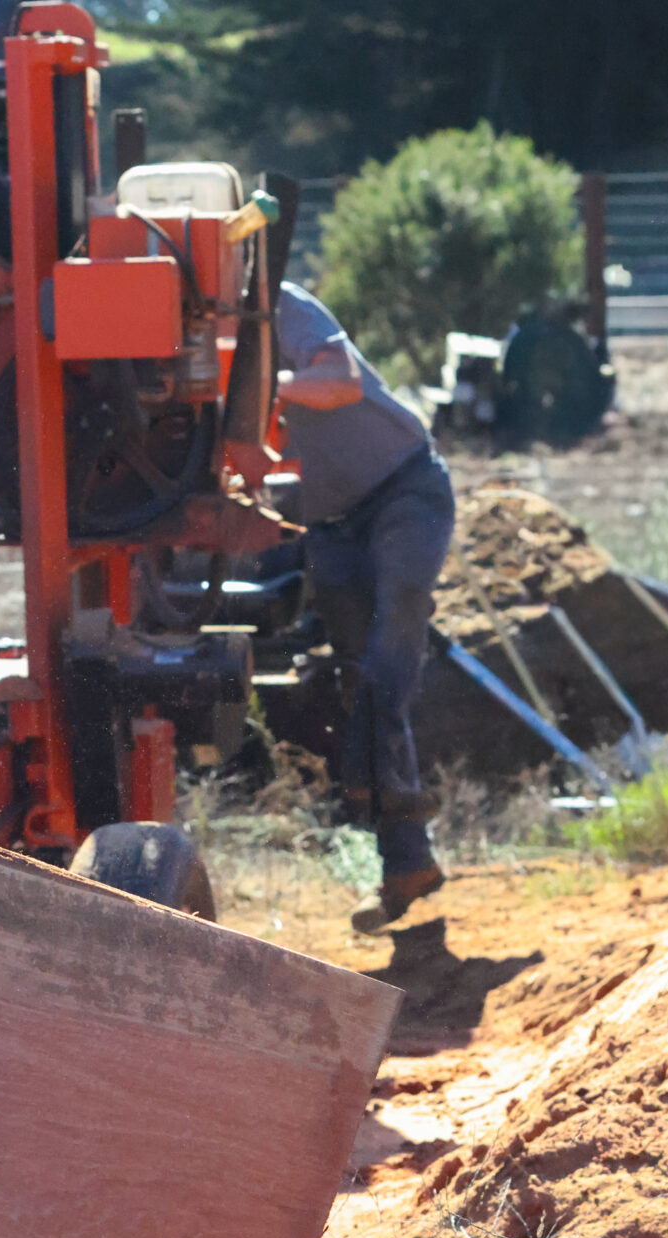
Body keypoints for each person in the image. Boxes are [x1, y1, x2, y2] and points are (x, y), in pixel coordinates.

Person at [275, 279, 458, 934]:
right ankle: (408, 862)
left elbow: (341, 381)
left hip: (404, 490)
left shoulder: (279, 302)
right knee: (368, 681)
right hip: (330, 523)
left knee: (388, 653)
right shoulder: (177, 340)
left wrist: (263, 388)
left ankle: (373, 799)